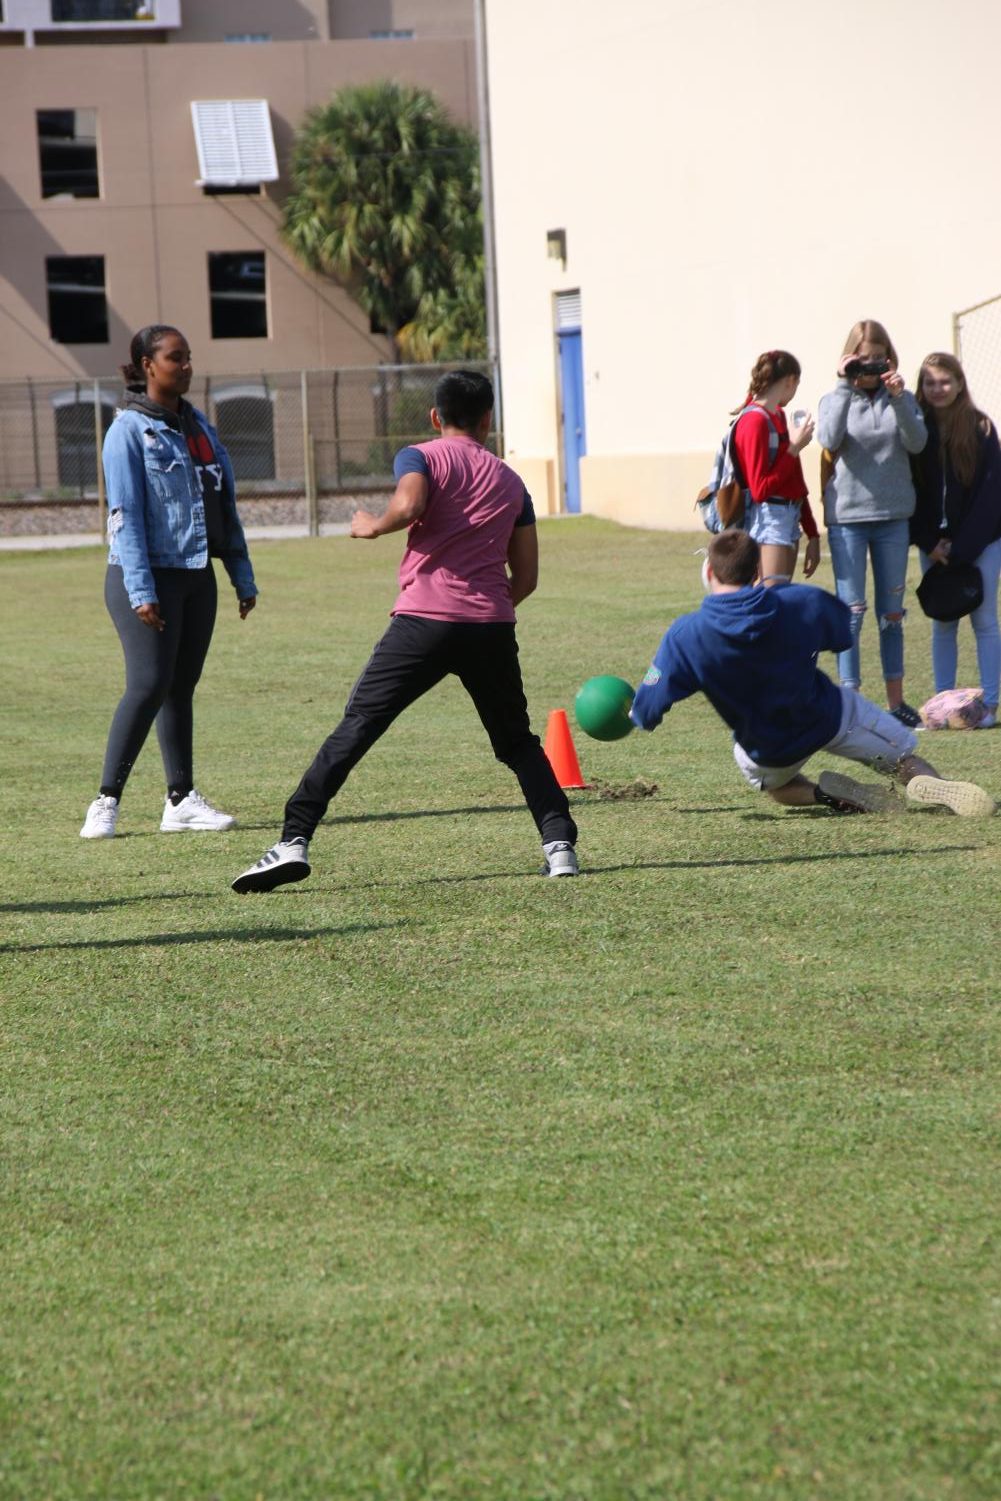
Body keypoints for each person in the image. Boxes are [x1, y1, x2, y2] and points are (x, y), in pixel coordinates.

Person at [232, 370, 579, 893]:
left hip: (423, 622)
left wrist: (372, 523)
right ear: (489, 419)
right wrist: (483, 607)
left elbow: (411, 503)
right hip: (490, 627)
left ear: (436, 417)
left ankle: (293, 840)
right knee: (516, 742)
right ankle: (560, 847)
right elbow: (526, 577)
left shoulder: (422, 456)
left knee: (360, 724)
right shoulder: (512, 482)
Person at [630, 530, 995, 816]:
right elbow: (840, 636)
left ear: (708, 571)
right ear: (758, 571)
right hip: (832, 715)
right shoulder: (799, 601)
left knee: (777, 788)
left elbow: (647, 710)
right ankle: (926, 783)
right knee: (903, 759)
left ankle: (821, 793)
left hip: (769, 748)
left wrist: (636, 713)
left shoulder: (686, 635)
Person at [80, 325, 258, 839]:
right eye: (175, 358)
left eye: (189, 357)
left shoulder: (198, 426)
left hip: (196, 576)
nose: (186, 366)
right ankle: (106, 801)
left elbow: (222, 505)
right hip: (145, 576)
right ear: (145, 365)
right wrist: (141, 592)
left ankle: (180, 801)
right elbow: (124, 515)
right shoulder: (128, 432)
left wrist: (240, 574)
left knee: (181, 687)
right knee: (149, 683)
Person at [816, 319, 927, 727]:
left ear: (889, 358)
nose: (870, 366)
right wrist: (845, 385)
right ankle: (850, 703)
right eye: (862, 359)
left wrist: (898, 398)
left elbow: (917, 443)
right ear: (849, 359)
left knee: (891, 613)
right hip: (848, 519)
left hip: (893, 517)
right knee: (852, 611)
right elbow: (828, 440)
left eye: (878, 358)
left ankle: (896, 703)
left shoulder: (902, 397)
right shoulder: (834, 397)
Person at [911, 352, 1001, 728]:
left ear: (960, 383)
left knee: (984, 621)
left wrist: (963, 547)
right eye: (930, 382)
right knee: (942, 621)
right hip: (934, 547)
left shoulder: (981, 428)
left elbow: (991, 495)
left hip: (980, 544)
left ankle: (991, 706)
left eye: (945, 381)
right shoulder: (915, 428)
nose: (937, 389)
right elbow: (911, 493)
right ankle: (943, 706)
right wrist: (930, 542)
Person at [730, 349, 821, 585]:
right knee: (768, 602)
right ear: (790, 381)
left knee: (781, 604)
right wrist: (793, 448)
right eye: (797, 384)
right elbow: (760, 489)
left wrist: (812, 533)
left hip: (788, 515)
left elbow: (795, 482)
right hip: (768, 519)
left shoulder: (778, 416)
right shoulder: (754, 421)